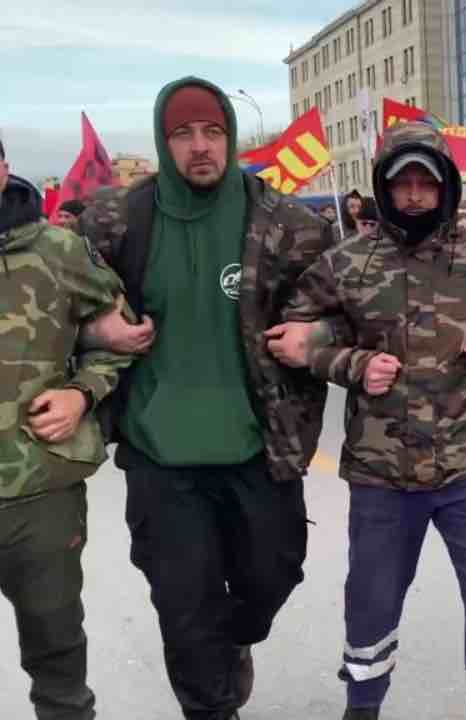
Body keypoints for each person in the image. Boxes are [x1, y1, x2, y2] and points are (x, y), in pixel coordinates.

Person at [78, 77, 336, 720]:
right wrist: (94, 328)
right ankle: (211, 703)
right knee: (184, 609)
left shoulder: (285, 223)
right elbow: (57, 306)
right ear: (165, 142)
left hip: (258, 446)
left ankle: (235, 640)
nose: (200, 147)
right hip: (160, 453)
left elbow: (352, 308)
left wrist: (319, 335)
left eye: (213, 132)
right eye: (184, 134)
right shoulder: (117, 220)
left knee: (270, 579)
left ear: (228, 136)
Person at [271, 121, 466, 720]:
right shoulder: (347, 264)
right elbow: (295, 336)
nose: (414, 195)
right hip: (381, 473)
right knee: (371, 602)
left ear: (446, 187)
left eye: (426, 183)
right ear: (383, 189)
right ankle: (362, 707)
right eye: (402, 184)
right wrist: (353, 363)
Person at [1, 138, 133, 720]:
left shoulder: (58, 250)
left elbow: (127, 337)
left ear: (3, 170)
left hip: (37, 492)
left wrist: (82, 393)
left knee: (56, 658)